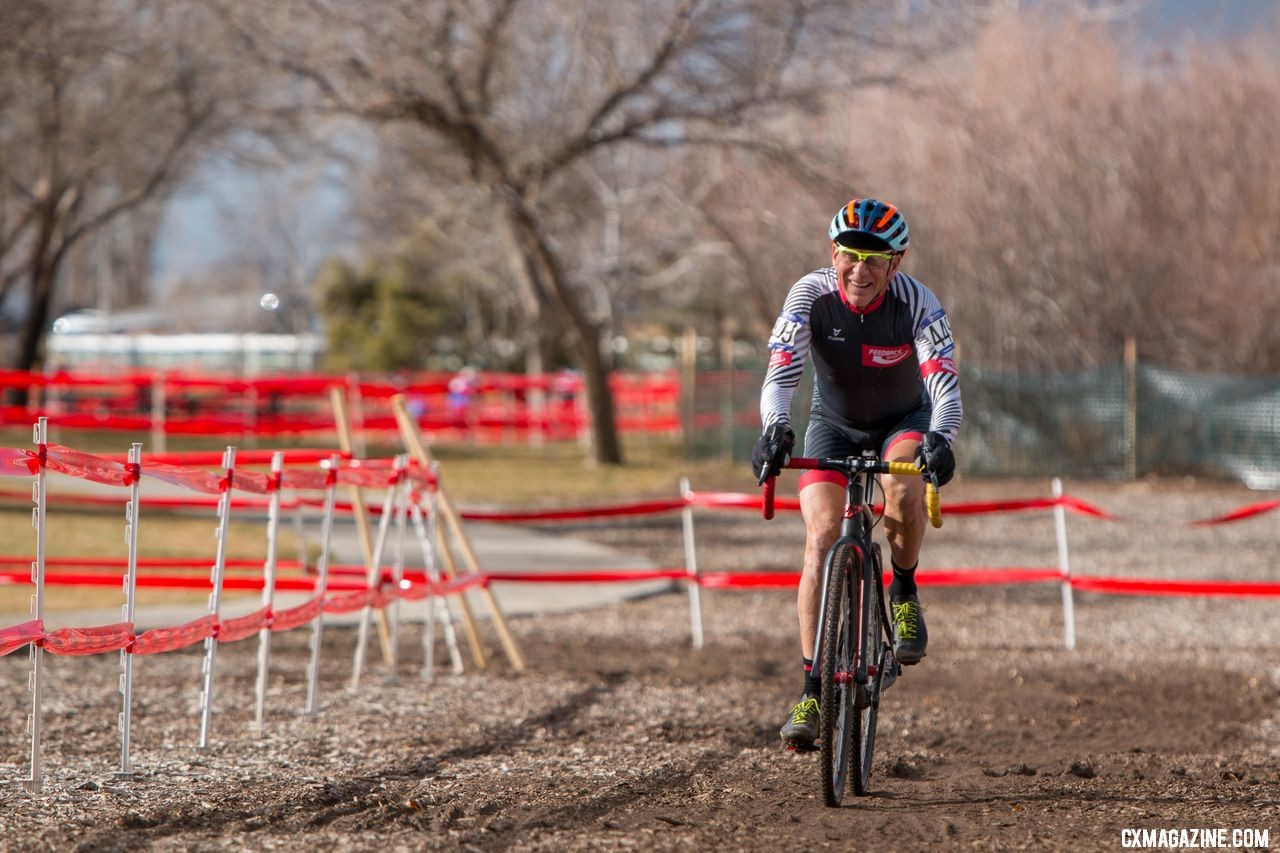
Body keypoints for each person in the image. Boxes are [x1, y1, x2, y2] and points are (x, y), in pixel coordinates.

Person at [751, 198, 962, 749]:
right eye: (849, 256)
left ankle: (906, 591)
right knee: (820, 537)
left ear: (897, 263)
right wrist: (775, 427)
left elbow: (943, 383)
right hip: (834, 424)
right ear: (833, 254)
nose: (859, 271)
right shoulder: (810, 294)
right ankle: (812, 690)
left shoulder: (918, 302)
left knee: (902, 487)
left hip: (904, 420)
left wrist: (942, 437)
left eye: (874, 259)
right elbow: (781, 373)